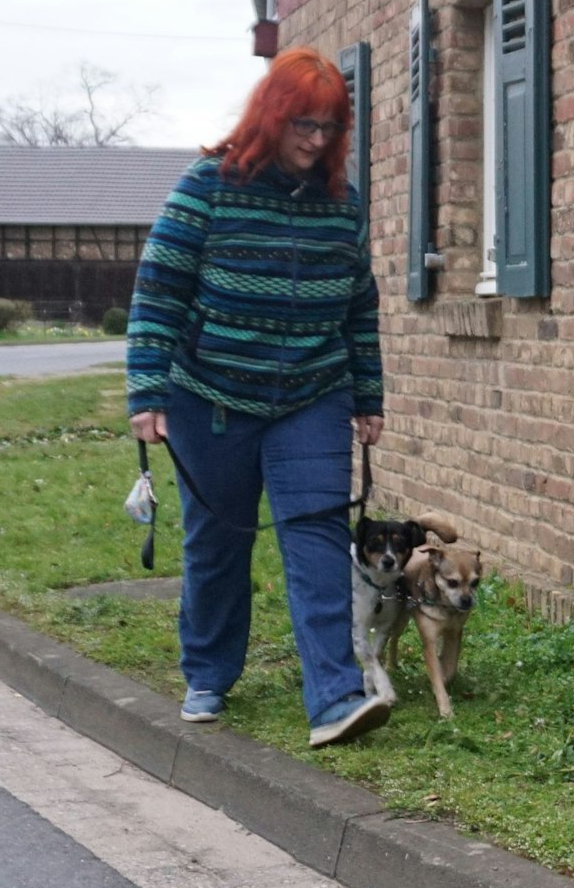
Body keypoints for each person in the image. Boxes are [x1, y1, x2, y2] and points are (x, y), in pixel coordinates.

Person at [125, 46, 389, 748]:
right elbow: (159, 291)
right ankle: (208, 670)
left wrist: (368, 393)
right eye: (304, 123)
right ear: (272, 116)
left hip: (312, 392)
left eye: (330, 127)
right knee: (218, 538)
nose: (315, 139)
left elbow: (359, 305)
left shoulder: (343, 208)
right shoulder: (207, 186)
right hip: (210, 395)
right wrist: (147, 389)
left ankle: (335, 695)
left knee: (319, 536)